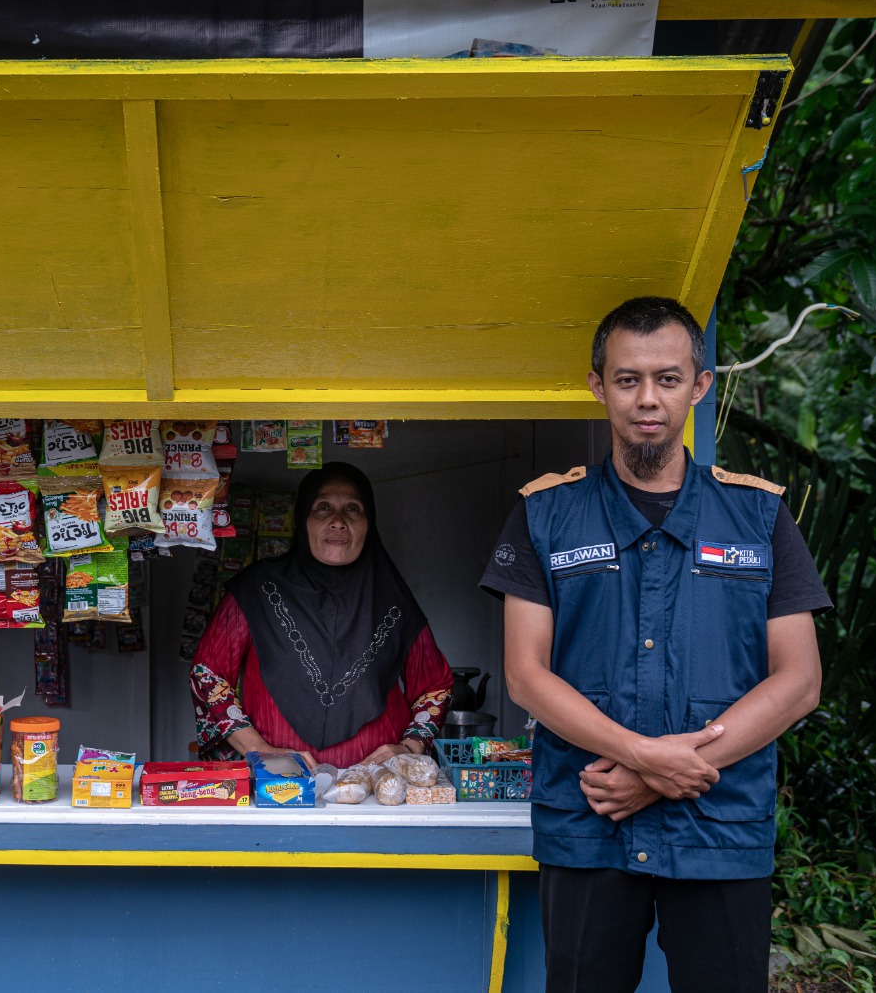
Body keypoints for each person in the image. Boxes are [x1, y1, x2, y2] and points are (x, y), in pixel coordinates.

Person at [480, 297, 831, 993]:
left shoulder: (758, 514)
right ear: (597, 386)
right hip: (590, 822)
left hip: (719, 827)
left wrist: (660, 771)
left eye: (668, 379)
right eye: (628, 379)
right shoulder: (545, 514)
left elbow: (799, 681)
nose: (648, 398)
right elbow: (525, 674)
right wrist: (643, 756)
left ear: (699, 386)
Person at [190, 462, 453, 770]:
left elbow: (435, 685)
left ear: (369, 523)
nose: (338, 521)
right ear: (303, 519)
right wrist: (259, 750)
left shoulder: (393, 600)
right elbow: (208, 674)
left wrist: (410, 747)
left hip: (379, 786)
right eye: (323, 508)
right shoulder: (257, 589)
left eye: (352, 509)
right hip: (276, 783)